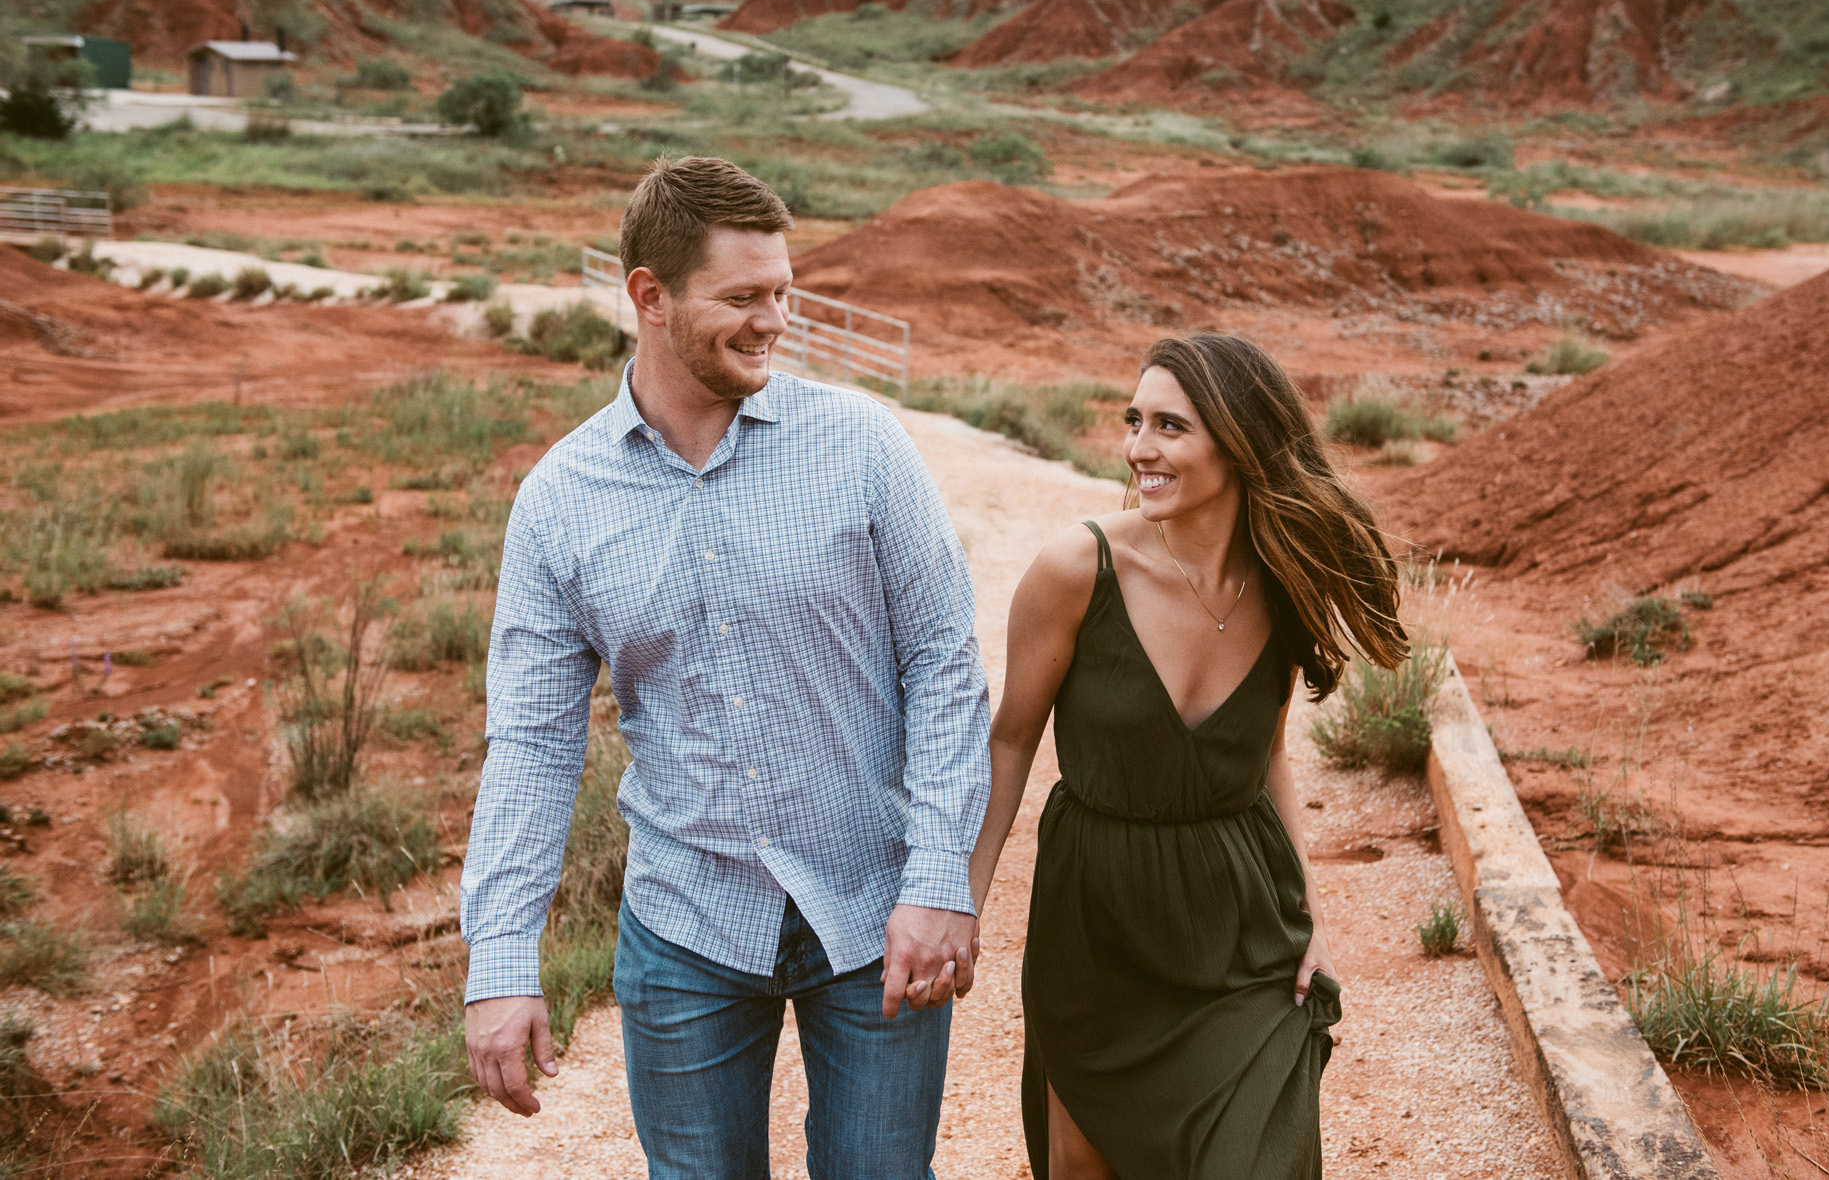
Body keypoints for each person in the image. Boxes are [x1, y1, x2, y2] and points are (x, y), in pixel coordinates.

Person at [460, 156, 991, 1180]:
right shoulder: (560, 500)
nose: (774, 320)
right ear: (648, 298)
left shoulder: (861, 445)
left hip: (872, 906)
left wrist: (939, 881)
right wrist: (500, 963)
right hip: (686, 924)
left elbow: (943, 665)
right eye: (742, 297)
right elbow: (530, 744)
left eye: (783, 292)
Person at [969, 333, 1410, 1180]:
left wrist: (1312, 914)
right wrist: (964, 905)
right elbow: (1011, 741)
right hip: (1096, 921)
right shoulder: (1077, 569)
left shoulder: (1283, 578)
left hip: (1242, 926)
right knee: (1084, 1163)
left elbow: (1267, 757)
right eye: (1135, 421)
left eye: (1171, 427)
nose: (1140, 449)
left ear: (1237, 442)